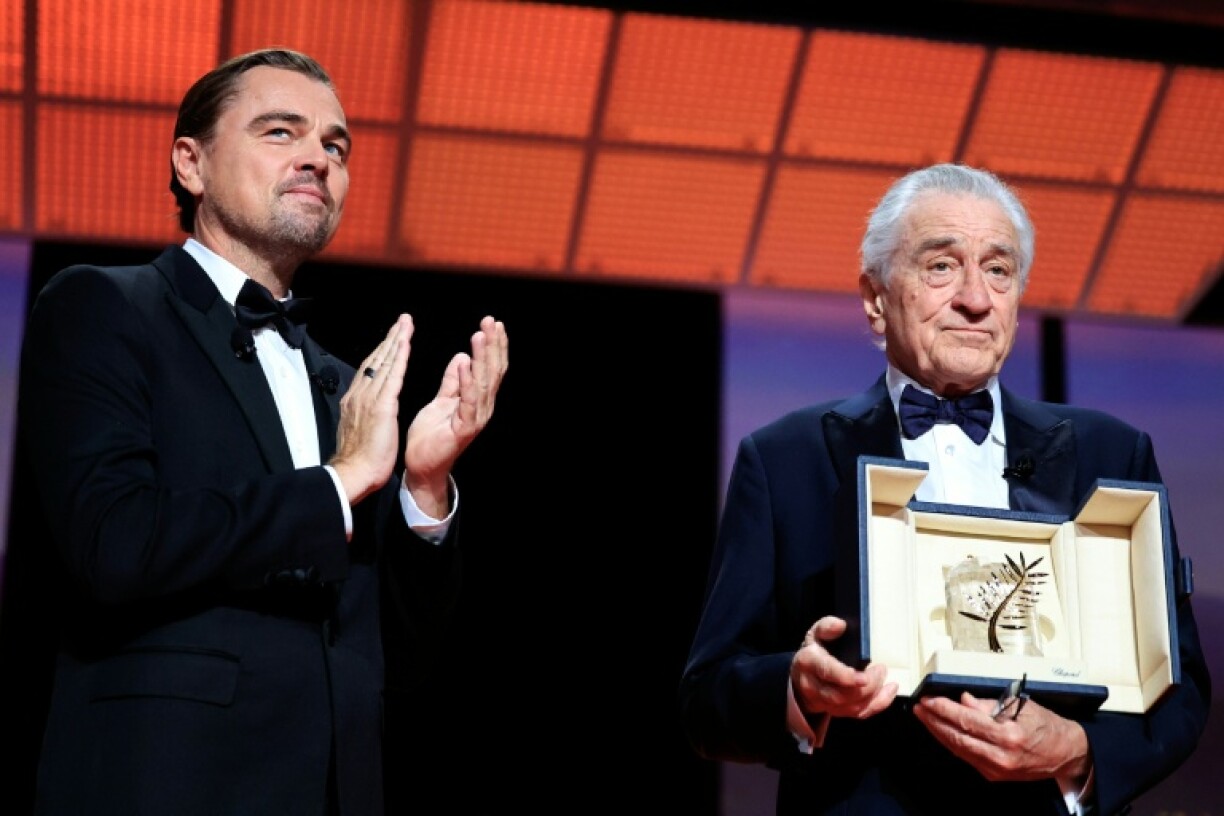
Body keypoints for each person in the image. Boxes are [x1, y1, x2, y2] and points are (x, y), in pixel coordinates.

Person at [11, 48, 508, 815]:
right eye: (282, 132)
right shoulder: (102, 309)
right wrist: (338, 485)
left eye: (336, 147)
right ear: (191, 163)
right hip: (165, 787)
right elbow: (112, 545)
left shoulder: (348, 387)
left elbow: (400, 660)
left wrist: (422, 488)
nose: (318, 158)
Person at [678, 163, 1210, 815]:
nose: (976, 299)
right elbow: (706, 699)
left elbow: (1179, 688)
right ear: (875, 298)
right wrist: (798, 686)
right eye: (941, 267)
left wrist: (1077, 750)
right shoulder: (785, 459)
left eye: (998, 269)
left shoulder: (1112, 453)